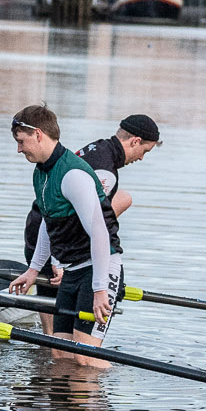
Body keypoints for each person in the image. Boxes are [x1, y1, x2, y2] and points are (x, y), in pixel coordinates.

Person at [21, 113, 158, 325]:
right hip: (52, 238)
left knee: (124, 198)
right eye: (145, 152)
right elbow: (76, 219)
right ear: (135, 141)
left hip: (39, 228)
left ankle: (47, 352)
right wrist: (57, 260)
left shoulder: (98, 148)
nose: (141, 158)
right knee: (58, 344)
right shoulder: (106, 171)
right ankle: (47, 353)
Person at [6, 104, 116, 367]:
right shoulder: (42, 172)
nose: (19, 149)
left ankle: (113, 401)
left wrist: (100, 288)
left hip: (98, 269)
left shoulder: (73, 175)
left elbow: (100, 233)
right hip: (72, 270)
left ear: (38, 134)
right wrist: (33, 270)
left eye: (21, 142)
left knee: (85, 359)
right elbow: (48, 221)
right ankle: (67, 407)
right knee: (61, 355)